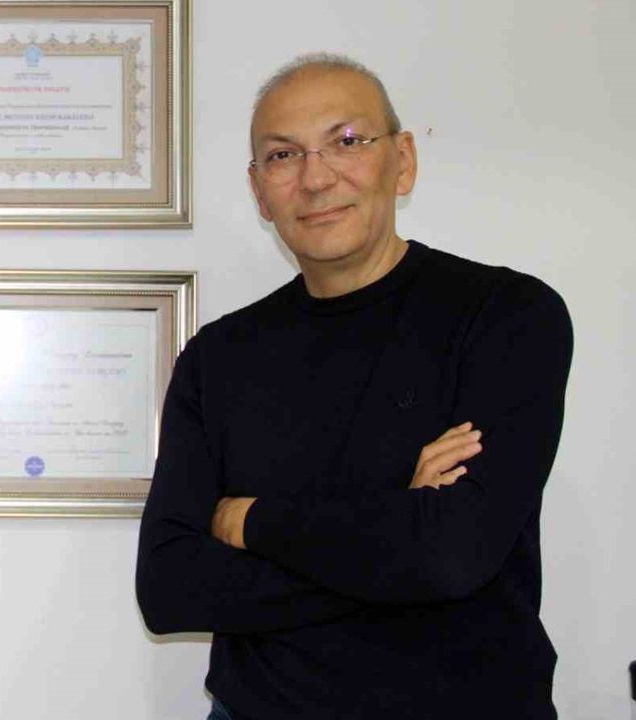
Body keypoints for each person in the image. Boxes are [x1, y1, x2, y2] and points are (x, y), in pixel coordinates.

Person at [135, 53, 572, 720]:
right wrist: (399, 523)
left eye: (346, 141)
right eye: (283, 155)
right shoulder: (218, 357)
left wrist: (250, 521)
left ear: (403, 161)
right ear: (259, 190)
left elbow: (454, 556)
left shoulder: (505, 317)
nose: (316, 178)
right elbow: (170, 589)